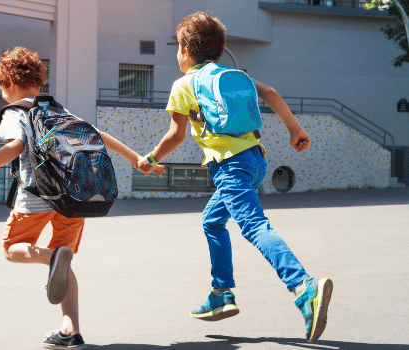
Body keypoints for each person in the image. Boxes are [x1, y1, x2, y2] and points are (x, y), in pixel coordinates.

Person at [135, 11, 333, 344]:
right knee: (212, 220)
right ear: (218, 50)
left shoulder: (184, 85)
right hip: (255, 160)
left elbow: (175, 135)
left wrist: (151, 159)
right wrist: (295, 130)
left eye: (178, 48)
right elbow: (270, 93)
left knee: (254, 226)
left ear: (185, 50)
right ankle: (221, 294)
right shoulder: (234, 74)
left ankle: (304, 288)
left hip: (230, 167)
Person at [0, 47, 163, 350]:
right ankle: (71, 331)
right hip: (73, 197)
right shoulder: (58, 110)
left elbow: (16, 146)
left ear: (8, 81)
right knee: (64, 257)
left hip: (35, 197)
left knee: (11, 249)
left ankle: (50, 258)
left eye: (1, 87)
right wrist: (137, 160)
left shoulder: (16, 111)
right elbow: (97, 134)